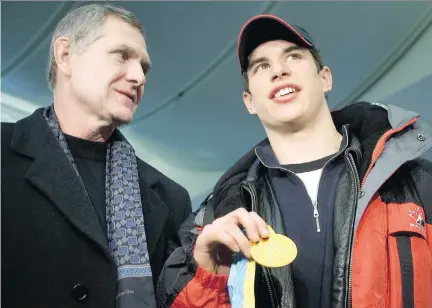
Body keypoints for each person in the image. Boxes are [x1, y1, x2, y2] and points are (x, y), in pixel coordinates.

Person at [156, 14, 432, 307]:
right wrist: (208, 277)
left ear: (324, 78)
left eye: (293, 57)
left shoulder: (414, 181)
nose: (279, 71)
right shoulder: (216, 217)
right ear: (249, 101)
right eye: (262, 66)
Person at [1, 4, 192, 308]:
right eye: (122, 55)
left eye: (144, 67)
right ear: (65, 55)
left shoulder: (170, 199)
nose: (138, 77)